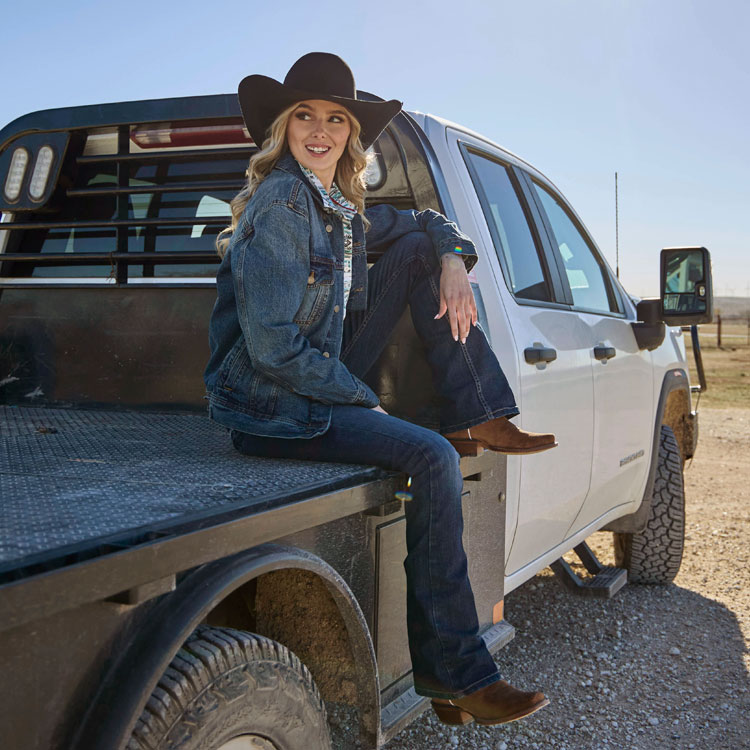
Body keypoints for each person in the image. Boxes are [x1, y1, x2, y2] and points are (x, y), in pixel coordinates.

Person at [204, 51, 555, 727]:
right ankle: (458, 677)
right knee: (432, 458)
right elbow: (274, 349)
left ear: (350, 135)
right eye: (303, 114)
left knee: (422, 248)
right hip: (274, 407)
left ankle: (480, 413)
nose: (319, 128)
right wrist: (360, 397)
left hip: (311, 378)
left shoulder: (331, 205)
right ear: (283, 127)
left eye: (335, 118)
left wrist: (453, 260)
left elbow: (423, 225)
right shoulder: (281, 203)